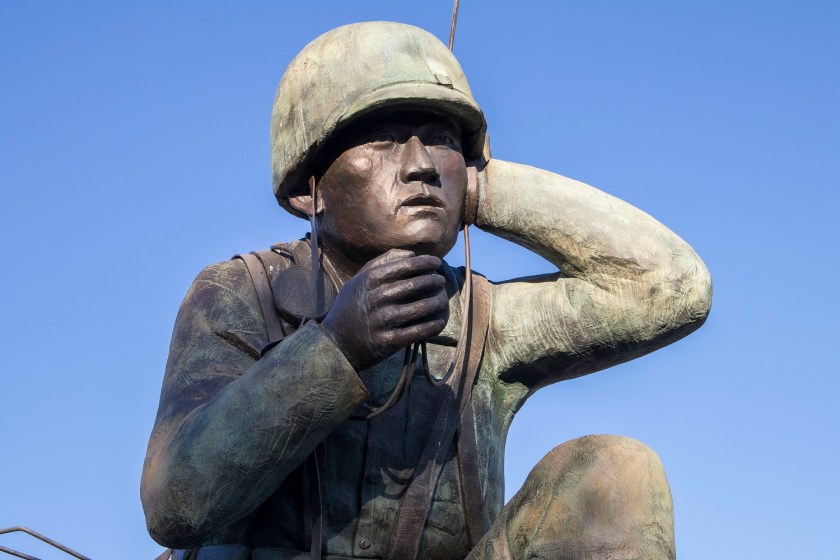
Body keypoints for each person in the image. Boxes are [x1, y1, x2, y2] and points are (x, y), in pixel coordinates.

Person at [141, 22, 711, 560]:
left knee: (615, 472)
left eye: (439, 142)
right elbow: (176, 505)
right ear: (306, 189)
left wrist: (481, 185)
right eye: (384, 141)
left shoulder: (486, 319)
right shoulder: (242, 292)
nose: (420, 167)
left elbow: (671, 286)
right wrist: (335, 349)